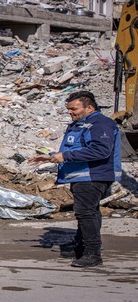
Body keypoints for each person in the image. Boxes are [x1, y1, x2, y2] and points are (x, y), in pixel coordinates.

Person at [28, 91, 121, 268]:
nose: (70, 112)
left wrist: (66, 156)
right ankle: (81, 247)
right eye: (68, 109)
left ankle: (92, 253)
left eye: (74, 108)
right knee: (89, 212)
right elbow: (76, 149)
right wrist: (51, 157)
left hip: (93, 176)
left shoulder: (99, 124)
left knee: (86, 212)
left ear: (90, 107)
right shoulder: (81, 124)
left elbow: (101, 151)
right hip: (82, 176)